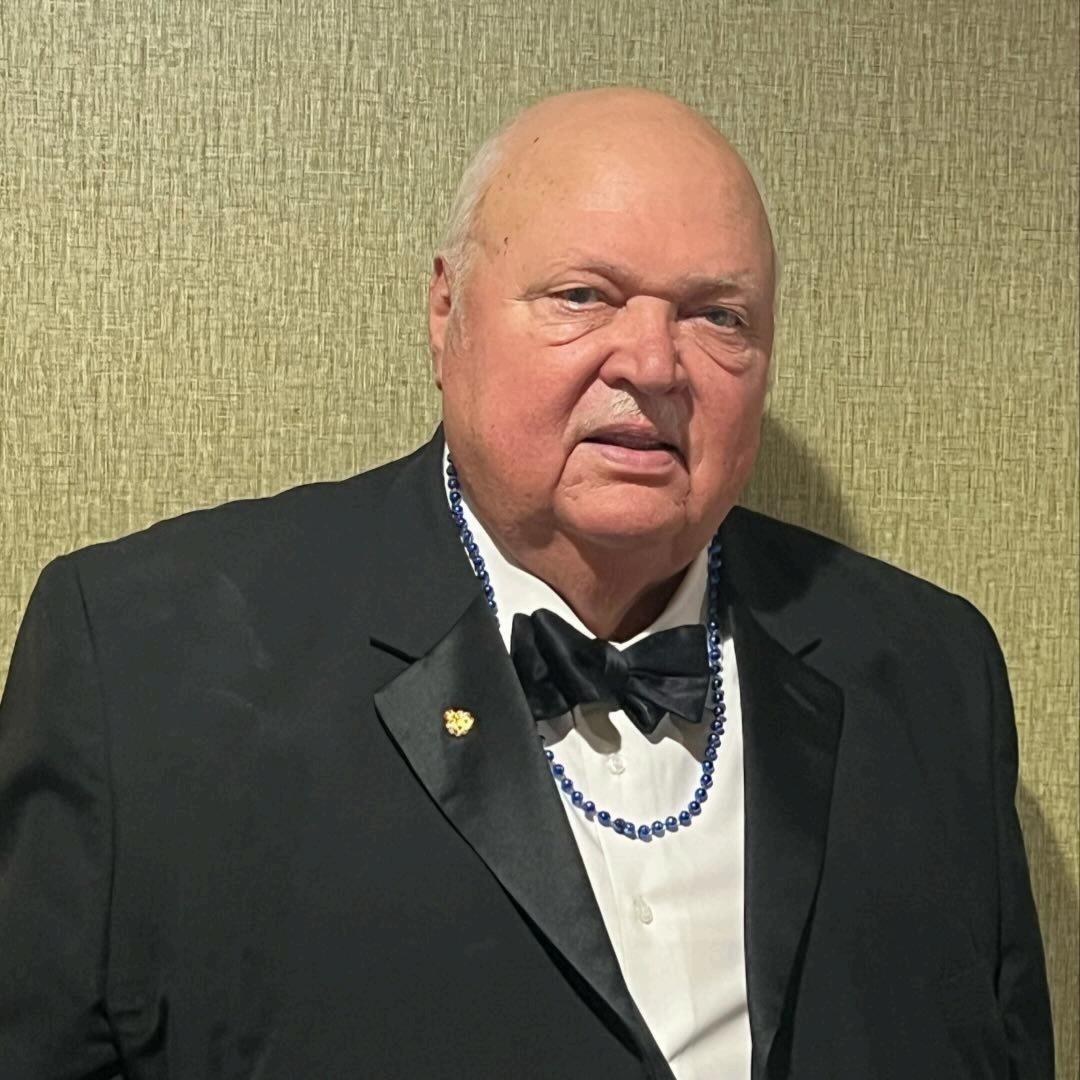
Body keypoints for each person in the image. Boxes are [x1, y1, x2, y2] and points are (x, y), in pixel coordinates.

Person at [0, 87, 1053, 1079]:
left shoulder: (933, 674)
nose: (653, 362)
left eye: (718, 317)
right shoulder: (140, 662)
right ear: (445, 313)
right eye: (584, 296)